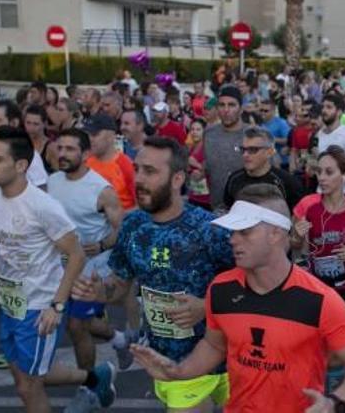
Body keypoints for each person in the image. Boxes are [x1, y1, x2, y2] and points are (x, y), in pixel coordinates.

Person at [130, 184, 345, 412]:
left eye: (245, 232)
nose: (233, 239)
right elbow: (214, 345)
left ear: (276, 234)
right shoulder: (221, 289)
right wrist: (178, 371)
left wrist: (334, 402)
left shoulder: (319, 299)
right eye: (233, 231)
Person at [72, 137, 235, 412]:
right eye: (137, 169)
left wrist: (207, 306)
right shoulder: (133, 225)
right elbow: (121, 283)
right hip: (171, 365)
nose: (139, 179)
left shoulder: (209, 229)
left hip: (226, 357)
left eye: (150, 171)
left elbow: (254, 283)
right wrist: (100, 292)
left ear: (177, 179)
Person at [0, 126, 116, 413]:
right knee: (23, 379)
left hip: (39, 307)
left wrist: (57, 305)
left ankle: (92, 377)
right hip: (10, 303)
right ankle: (94, 377)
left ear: (20, 165)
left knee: (29, 385)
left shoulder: (44, 206)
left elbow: (75, 255)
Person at [46, 128, 135, 410]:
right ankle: (120, 340)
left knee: (76, 326)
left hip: (90, 270)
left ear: (85, 155)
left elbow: (121, 230)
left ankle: (91, 388)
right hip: (59, 267)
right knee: (76, 323)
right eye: (60, 148)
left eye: (70, 149)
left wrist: (100, 244)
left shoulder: (101, 190)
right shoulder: (53, 181)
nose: (62, 154)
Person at [291, 145, 345, 314]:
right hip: (316, 287)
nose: (321, 178)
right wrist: (298, 237)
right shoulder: (306, 205)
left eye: (329, 172)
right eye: (319, 171)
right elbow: (294, 247)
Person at [223, 127, 304, 211]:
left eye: (253, 150)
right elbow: (227, 209)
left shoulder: (288, 182)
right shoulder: (234, 179)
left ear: (269, 152)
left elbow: (297, 217)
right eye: (243, 149)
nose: (245, 155)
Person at [204, 85, 247, 211]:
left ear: (241, 109)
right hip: (216, 208)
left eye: (232, 105)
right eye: (222, 105)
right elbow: (208, 166)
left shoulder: (254, 134)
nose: (226, 110)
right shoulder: (209, 133)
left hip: (247, 210)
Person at [83, 114, 136, 210]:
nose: (90, 139)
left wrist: (123, 217)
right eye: (87, 135)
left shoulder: (125, 165)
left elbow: (140, 203)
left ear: (111, 136)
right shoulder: (84, 161)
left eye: (95, 134)